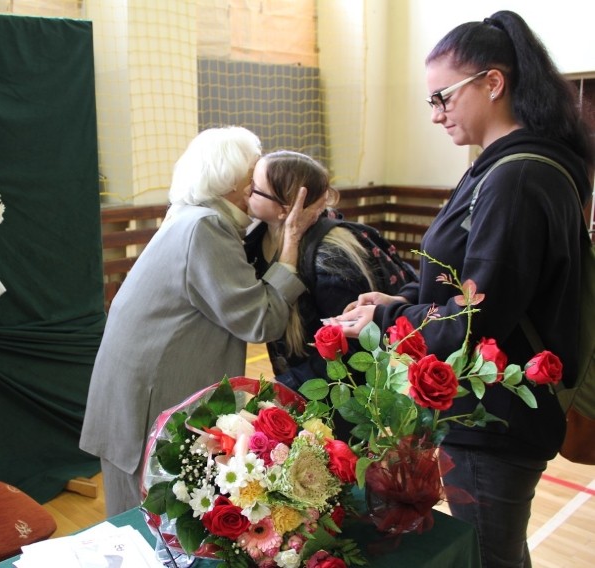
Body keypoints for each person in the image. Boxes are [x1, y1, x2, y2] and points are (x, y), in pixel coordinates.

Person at [337, 11, 594, 568]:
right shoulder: (505, 168)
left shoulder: (519, 176)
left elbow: (479, 317)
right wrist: (400, 303)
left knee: (488, 557)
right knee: (495, 551)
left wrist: (380, 323)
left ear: (493, 83)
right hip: (492, 409)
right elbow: (477, 287)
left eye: (442, 98)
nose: (436, 115)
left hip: (496, 417)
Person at [79, 126, 319, 516]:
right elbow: (260, 320)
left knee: (147, 513)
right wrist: (290, 243)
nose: (255, 187)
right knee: (146, 519)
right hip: (150, 394)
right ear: (231, 183)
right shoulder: (205, 228)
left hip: (139, 385)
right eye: (251, 176)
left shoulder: (192, 215)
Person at [243, 151, 381, 390]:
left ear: (285, 209)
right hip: (298, 379)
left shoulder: (330, 258)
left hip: (341, 391)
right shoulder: (258, 241)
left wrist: (288, 386)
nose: (246, 191)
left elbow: (352, 348)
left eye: (255, 188)